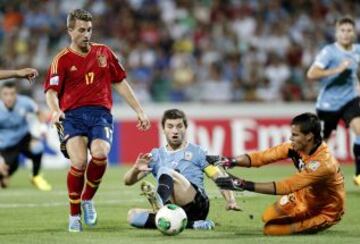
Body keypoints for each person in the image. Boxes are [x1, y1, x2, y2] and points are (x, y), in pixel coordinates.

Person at [43, 9, 150, 232]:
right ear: (70, 31)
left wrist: (139, 110)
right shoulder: (61, 60)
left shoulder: (104, 52)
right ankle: (74, 216)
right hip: (72, 116)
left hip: (100, 114)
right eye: (81, 30)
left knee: (100, 154)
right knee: (79, 162)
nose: (86, 34)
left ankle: (87, 199)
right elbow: (51, 92)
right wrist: (55, 111)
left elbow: (120, 82)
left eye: (89, 30)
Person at [213, 113, 345, 235]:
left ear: (309, 136)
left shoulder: (323, 163)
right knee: (267, 216)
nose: (290, 138)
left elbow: (286, 186)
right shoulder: (295, 147)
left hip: (324, 210)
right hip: (301, 196)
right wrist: (231, 161)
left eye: (295, 135)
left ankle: (310, 222)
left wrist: (243, 184)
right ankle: (295, 218)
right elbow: (262, 157)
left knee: (271, 229)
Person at [124, 109, 240, 230]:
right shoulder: (156, 155)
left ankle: (160, 205)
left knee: (166, 171)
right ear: (163, 129)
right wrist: (135, 169)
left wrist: (231, 200)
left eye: (179, 126)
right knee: (133, 216)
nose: (175, 131)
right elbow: (128, 181)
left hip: (196, 205)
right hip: (174, 209)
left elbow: (218, 176)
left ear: (185, 128)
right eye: (170, 126)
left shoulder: (198, 152)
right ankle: (193, 224)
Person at [306, 16, 360, 185]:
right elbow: (311, 74)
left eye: (349, 30)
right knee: (322, 144)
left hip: (350, 99)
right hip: (328, 104)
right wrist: (337, 70)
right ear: (337, 33)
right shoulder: (329, 52)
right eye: (342, 30)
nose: (345, 34)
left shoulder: (358, 50)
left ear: (354, 33)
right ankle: (308, 177)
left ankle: (359, 175)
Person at [0, 81, 51, 191]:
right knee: (4, 178)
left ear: (16, 94)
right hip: (6, 145)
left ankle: (35, 176)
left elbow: (40, 113)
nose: (9, 97)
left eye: (12, 94)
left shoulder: (24, 102)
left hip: (24, 138)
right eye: (6, 94)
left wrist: (42, 129)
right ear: (1, 95)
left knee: (38, 148)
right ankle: (5, 176)